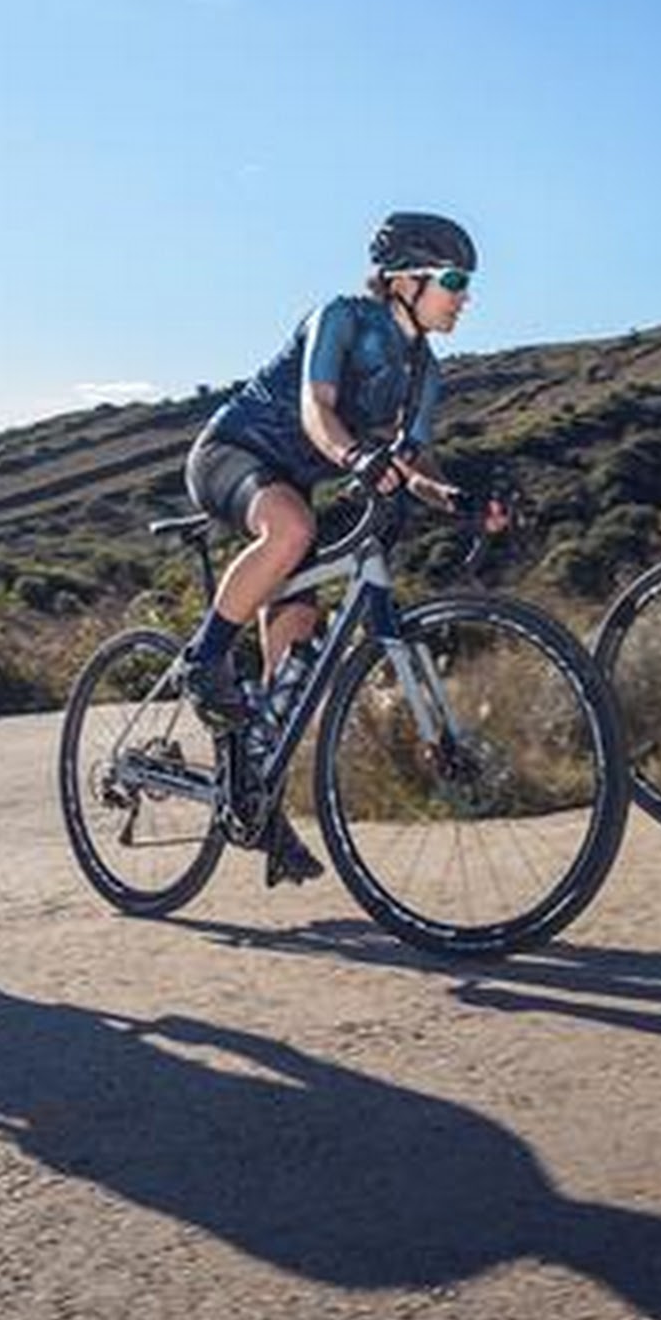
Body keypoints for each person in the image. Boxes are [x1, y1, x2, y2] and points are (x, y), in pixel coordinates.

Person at [179, 211, 507, 885]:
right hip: (232, 454)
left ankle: (255, 804)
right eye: (453, 281)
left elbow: (415, 464)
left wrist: (459, 500)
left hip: (294, 482)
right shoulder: (343, 317)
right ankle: (202, 661)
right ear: (404, 281)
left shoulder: (424, 372)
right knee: (294, 529)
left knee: (295, 681)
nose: (464, 297)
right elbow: (316, 410)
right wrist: (357, 456)